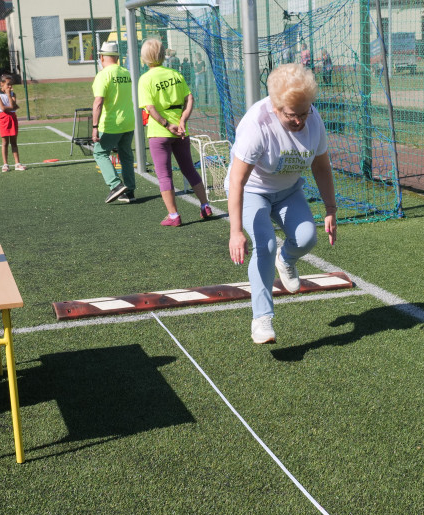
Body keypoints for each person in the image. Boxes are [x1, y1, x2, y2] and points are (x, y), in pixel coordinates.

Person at [226, 63, 338, 345]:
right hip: (253, 190)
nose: (300, 121)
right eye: (292, 115)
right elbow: (238, 181)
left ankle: (286, 260)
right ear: (276, 107)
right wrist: (235, 231)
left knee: (306, 238)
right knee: (264, 245)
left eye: (304, 112)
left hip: (288, 190)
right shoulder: (256, 125)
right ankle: (262, 319)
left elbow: (322, 166)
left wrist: (330, 209)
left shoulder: (313, 119)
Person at [137, 37, 214, 227]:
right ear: (163, 55)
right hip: (180, 130)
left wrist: (165, 124)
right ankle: (205, 205)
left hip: (159, 131)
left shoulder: (145, 78)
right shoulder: (174, 74)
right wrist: (182, 120)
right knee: (189, 169)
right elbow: (190, 98)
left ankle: (174, 216)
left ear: (145, 58)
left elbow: (150, 107)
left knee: (164, 175)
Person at [90, 41, 135, 202]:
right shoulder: (126, 72)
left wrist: (94, 127)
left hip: (111, 124)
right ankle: (129, 190)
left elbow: (98, 102)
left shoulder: (103, 75)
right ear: (117, 57)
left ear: (101, 57)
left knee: (100, 152)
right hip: (129, 121)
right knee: (126, 155)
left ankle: (116, 186)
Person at [0, 74, 26, 172]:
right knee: (4, 142)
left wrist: (9, 95)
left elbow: (13, 106)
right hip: (3, 118)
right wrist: (12, 107)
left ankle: (17, 163)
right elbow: (4, 108)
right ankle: (5, 164)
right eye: (8, 84)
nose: (10, 87)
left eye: (11, 84)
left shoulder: (12, 94)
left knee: (14, 142)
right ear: (1, 84)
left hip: (13, 118)